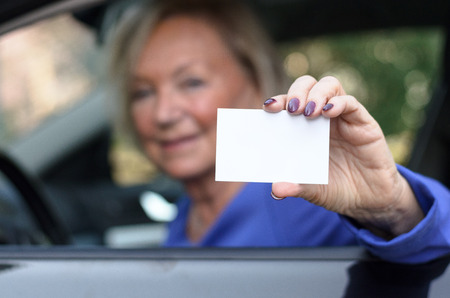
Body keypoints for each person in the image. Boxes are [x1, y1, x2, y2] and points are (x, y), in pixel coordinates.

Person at [105, 0, 450, 263]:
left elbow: (438, 246)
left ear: (256, 80)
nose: (163, 113)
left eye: (192, 82)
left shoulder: (305, 199)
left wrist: (392, 207)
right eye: (142, 93)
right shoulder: (184, 217)